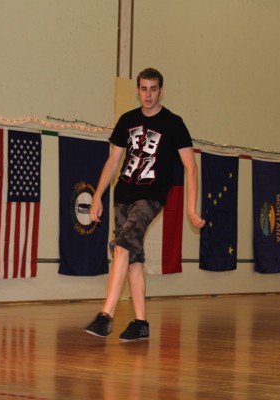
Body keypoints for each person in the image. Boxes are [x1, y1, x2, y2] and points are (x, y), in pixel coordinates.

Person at [84, 67, 205, 341]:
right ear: (137, 90)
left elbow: (191, 167)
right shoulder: (127, 120)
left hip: (151, 196)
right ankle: (141, 324)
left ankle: (106, 316)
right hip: (123, 196)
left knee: (123, 246)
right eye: (143, 89)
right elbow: (113, 161)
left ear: (161, 90)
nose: (148, 95)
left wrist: (190, 207)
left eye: (153, 89)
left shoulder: (173, 123)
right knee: (133, 258)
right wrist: (98, 196)